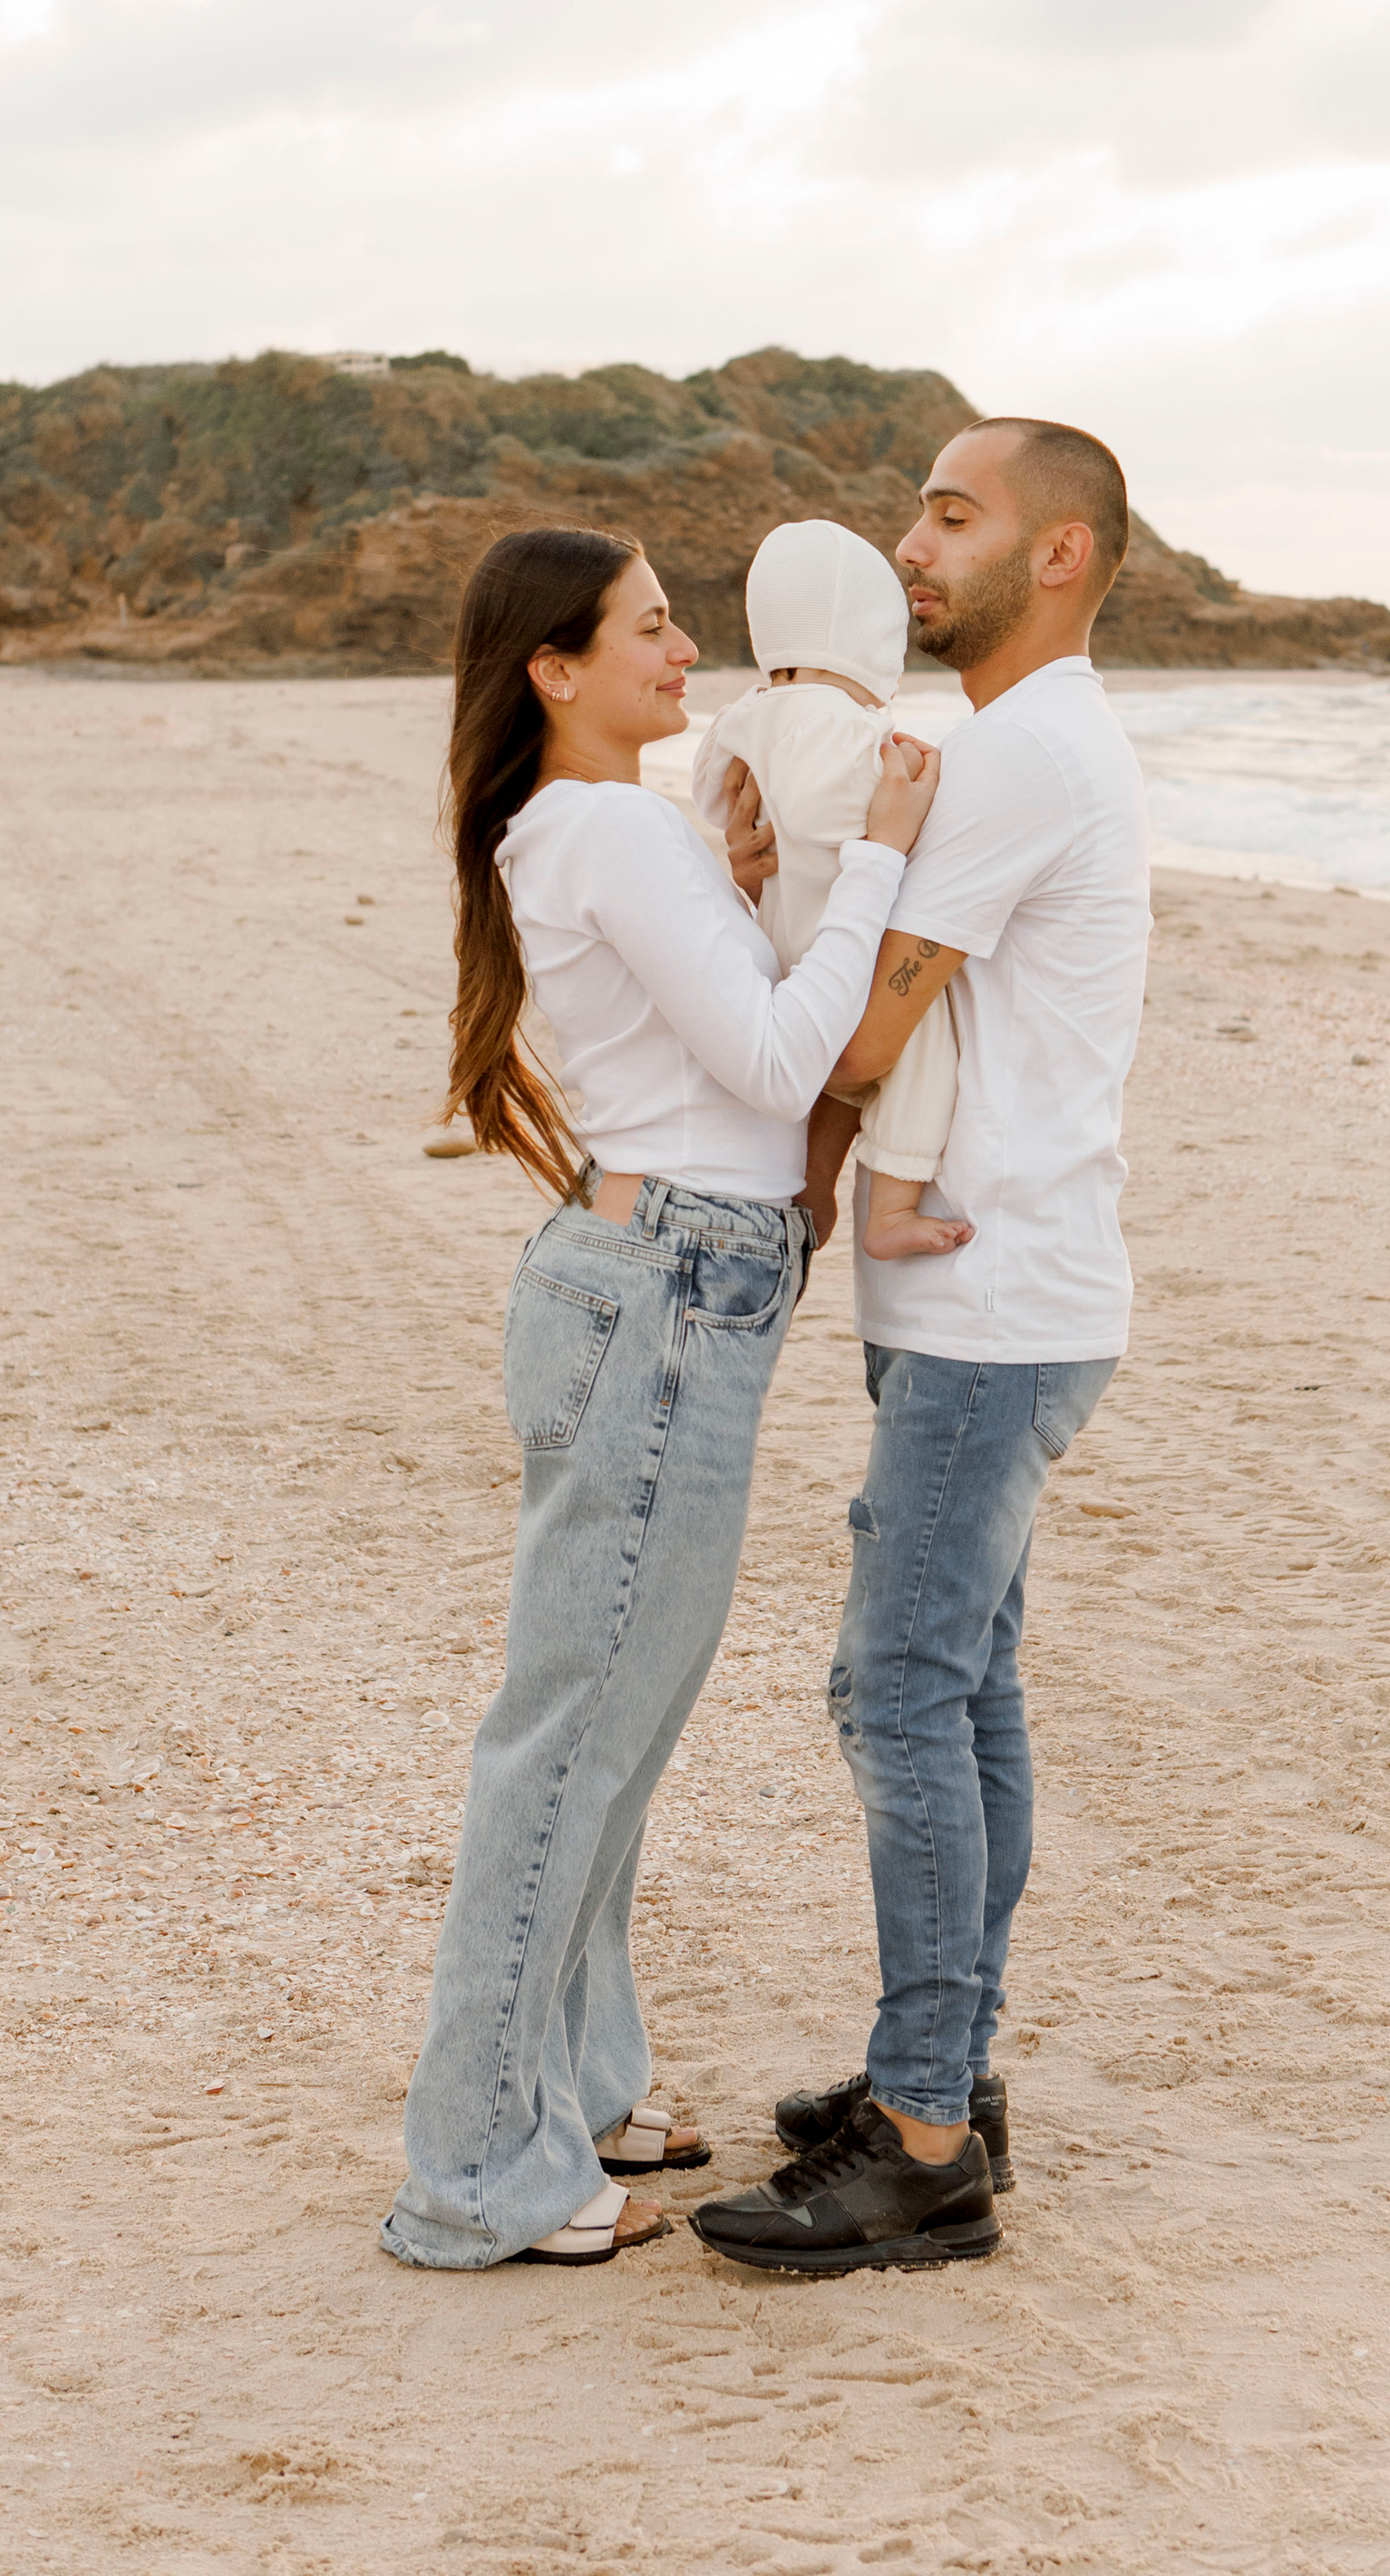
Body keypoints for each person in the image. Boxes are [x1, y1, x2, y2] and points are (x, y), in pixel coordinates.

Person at [379, 522, 941, 2272]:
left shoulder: (605, 823)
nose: (688, 650)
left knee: (611, 1726)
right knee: (572, 1740)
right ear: (555, 667)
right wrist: (880, 871)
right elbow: (779, 1060)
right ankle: (475, 2166)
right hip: (669, 1295)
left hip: (668, 1281)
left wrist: (734, 860)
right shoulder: (605, 823)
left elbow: (710, 1020)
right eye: (650, 627)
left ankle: (590, 2082)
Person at [691, 417, 1152, 2280]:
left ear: (1059, 552)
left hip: (990, 1300)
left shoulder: (1028, 746)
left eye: (950, 515)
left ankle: (923, 2136)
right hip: (993, 1291)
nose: (912, 546)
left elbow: (873, 1021)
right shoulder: (1004, 743)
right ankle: (944, 2069)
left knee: (894, 1691)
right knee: (963, 1693)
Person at [689, 520, 969, 1264]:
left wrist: (753, 812)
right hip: (846, 952)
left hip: (781, 953)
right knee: (926, 1043)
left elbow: (718, 800)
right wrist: (908, 774)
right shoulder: (853, 732)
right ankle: (895, 1202)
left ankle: (813, 1201)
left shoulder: (746, 716)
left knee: (820, 1129)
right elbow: (856, 804)